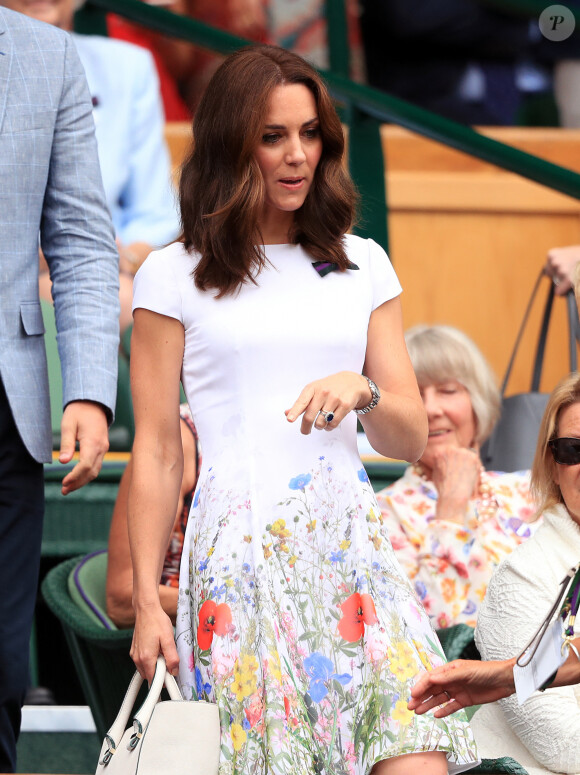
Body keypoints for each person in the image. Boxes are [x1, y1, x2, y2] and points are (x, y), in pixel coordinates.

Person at [128, 44, 477, 775]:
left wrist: (364, 390)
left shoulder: (363, 263)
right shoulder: (173, 273)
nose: (297, 155)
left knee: (417, 757)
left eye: (311, 133)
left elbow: (407, 432)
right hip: (238, 562)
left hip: (355, 558)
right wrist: (152, 607)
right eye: (273, 135)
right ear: (231, 143)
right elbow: (158, 451)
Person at [0, 7, 119, 772]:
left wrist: (87, 390)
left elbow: (79, 237)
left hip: (6, 402)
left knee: (3, 664)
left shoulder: (48, 57)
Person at [409, 374, 580, 771]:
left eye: (446, 388)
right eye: (573, 450)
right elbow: (560, 742)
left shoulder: (515, 494)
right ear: (552, 467)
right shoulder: (526, 575)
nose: (432, 407)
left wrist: (507, 674)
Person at [5, 0, 181, 333]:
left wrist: (119, 257)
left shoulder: (128, 67)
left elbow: (156, 211)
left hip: (108, 275)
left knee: (130, 302)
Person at [376, 325, 536, 629]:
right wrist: (450, 509)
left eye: (448, 391)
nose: (431, 408)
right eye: (415, 395)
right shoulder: (381, 513)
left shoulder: (531, 490)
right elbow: (425, 628)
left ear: (478, 400)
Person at [106, 405, 200, 627]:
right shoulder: (178, 436)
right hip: (186, 640)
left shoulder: (292, 431)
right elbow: (122, 597)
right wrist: (228, 605)